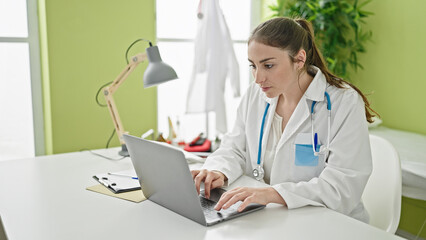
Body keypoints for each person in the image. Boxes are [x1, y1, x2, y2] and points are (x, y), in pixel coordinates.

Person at [191, 17, 376, 223]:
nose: (258, 78)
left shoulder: (344, 102)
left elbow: (343, 186)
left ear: (299, 59)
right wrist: (219, 171)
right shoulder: (255, 94)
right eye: (253, 66)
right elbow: (234, 148)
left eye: (268, 65)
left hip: (330, 223)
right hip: (273, 218)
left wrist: (274, 194)